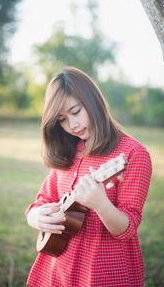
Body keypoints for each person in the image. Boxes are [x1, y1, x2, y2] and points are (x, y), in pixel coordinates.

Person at [25, 66, 152, 287]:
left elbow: (127, 229)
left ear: (94, 101)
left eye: (75, 112)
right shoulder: (69, 150)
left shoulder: (133, 153)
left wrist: (101, 204)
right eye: (62, 120)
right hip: (58, 267)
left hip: (103, 269)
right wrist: (34, 217)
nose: (72, 125)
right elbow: (43, 199)